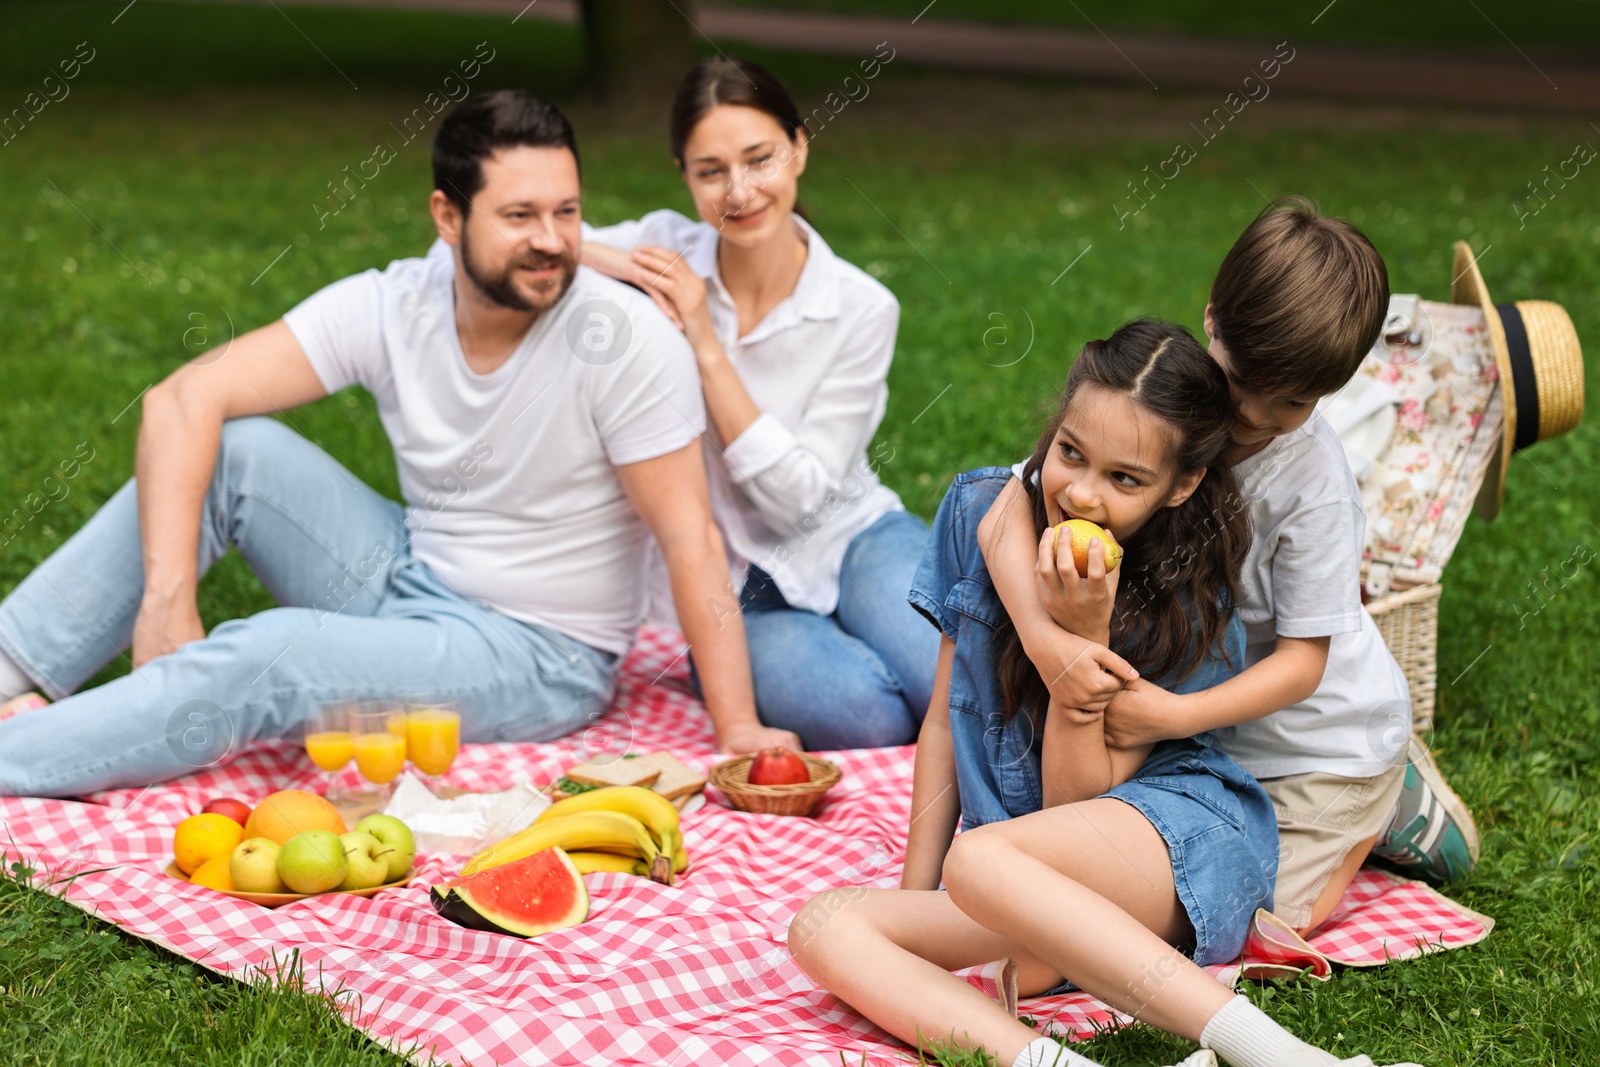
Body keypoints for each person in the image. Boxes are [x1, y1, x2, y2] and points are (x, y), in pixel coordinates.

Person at [0, 89, 784, 798]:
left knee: (275, 656)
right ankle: (10, 672)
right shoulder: (395, 304)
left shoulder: (624, 341)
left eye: (568, 213)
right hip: (408, 571)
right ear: (448, 217)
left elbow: (691, 538)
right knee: (234, 448)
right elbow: (181, 397)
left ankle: (16, 755)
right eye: (520, 217)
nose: (551, 241)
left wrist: (738, 724)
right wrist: (167, 600)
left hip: (541, 652)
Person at [790, 321, 1418, 1067]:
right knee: (824, 925)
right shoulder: (981, 514)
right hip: (1027, 876)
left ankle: (1286, 1057)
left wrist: (1082, 640)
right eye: (1071, 454)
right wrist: (913, 899)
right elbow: (940, 718)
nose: (1083, 494)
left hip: (1178, 836)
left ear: (1180, 484)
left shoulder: (1186, 590)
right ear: (1054, 433)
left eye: (1126, 479)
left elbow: (1074, 806)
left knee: (981, 864)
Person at [979, 198, 1479, 937]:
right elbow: (999, 506)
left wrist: (1172, 714)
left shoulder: (1313, 485)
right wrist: (1050, 644)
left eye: (1294, 400)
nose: (1251, 412)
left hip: (1315, 745)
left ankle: (1387, 799)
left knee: (1243, 922)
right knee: (1117, 879)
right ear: (1214, 319)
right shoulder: (1165, 404)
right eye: (1241, 378)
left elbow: (1305, 664)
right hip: (1201, 733)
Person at [577, 57, 938, 751]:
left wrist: (706, 345)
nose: (739, 191)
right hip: (740, 582)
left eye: (759, 159)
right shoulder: (668, 250)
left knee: (949, 681)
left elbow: (800, 501)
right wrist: (624, 264)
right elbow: (538, 242)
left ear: (799, 147)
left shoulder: (863, 308)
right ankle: (726, 661)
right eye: (710, 171)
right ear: (684, 174)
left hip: (851, 533)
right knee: (869, 718)